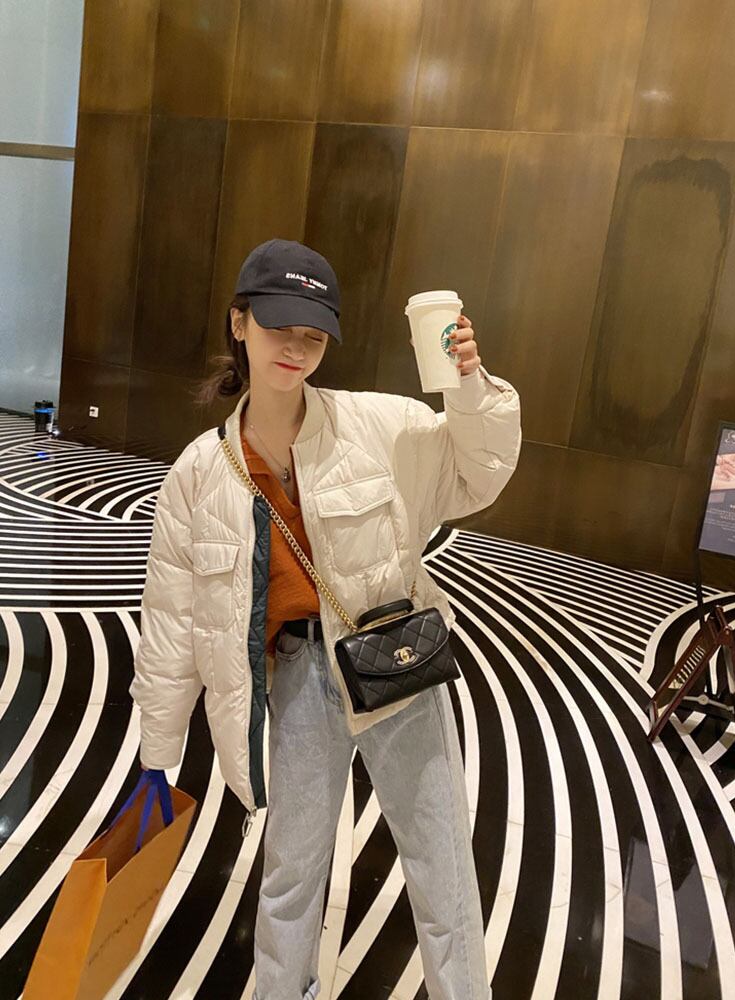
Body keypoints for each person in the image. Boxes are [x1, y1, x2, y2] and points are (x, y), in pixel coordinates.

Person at [130, 238, 522, 999]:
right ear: (239, 323)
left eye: (313, 334)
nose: (296, 347)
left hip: (393, 666)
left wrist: (470, 388)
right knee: (291, 875)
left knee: (443, 870)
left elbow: (477, 473)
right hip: (297, 680)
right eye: (278, 326)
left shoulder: (377, 425)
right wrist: (157, 751)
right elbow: (172, 626)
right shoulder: (199, 474)